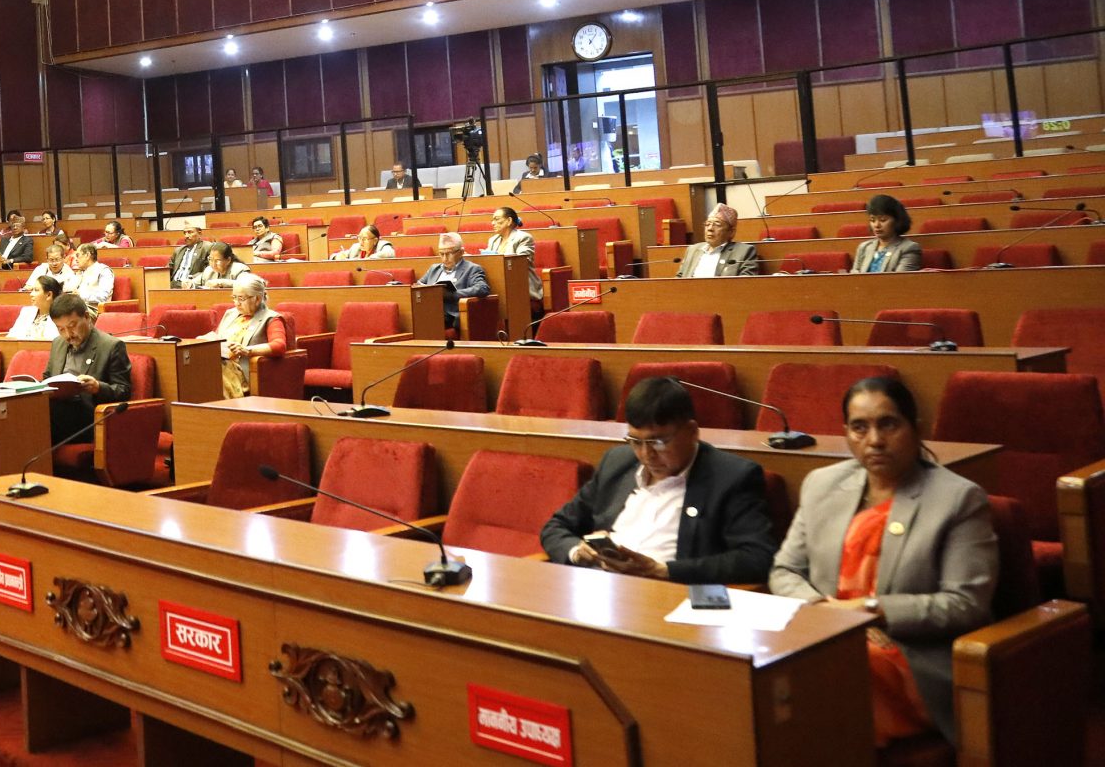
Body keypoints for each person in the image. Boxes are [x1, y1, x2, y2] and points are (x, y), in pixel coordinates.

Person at [769, 377, 995, 746]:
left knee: (828, 672)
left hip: (911, 655)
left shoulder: (958, 499)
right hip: (826, 634)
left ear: (915, 428)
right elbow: (785, 570)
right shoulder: (822, 485)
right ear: (846, 432)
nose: (874, 440)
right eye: (859, 427)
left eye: (888, 424)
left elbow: (965, 604)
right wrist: (823, 610)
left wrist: (870, 609)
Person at [540, 377, 777, 585]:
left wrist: (663, 570)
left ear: (692, 432)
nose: (646, 455)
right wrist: (576, 552)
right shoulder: (616, 463)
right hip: (601, 588)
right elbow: (556, 526)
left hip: (667, 594)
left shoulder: (732, 477)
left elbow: (757, 557)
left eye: (659, 442)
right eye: (635, 441)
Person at [44, 293, 133, 455]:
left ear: (86, 317)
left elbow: (124, 391)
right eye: (61, 329)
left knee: (35, 421)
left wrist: (98, 387)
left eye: (72, 326)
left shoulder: (111, 346)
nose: (68, 335)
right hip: (57, 411)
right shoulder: (58, 343)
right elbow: (47, 378)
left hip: (88, 418)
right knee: (25, 411)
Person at [202, 275, 290, 399]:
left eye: (241, 299)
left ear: (257, 299)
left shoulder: (271, 318)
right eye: (234, 297)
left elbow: (279, 346)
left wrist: (247, 350)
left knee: (210, 371)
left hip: (242, 371)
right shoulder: (230, 314)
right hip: (220, 361)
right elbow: (218, 337)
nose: (236, 303)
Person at [417, 232, 491, 331]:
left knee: (423, 321)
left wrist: (452, 294)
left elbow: (482, 288)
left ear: (461, 252)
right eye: (441, 254)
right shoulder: (434, 269)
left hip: (451, 315)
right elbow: (419, 285)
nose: (444, 258)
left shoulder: (472, 269)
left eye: (449, 254)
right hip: (430, 310)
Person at [679, 204, 762, 277]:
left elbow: (746, 283)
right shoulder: (692, 250)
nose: (710, 228)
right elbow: (679, 278)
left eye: (717, 225)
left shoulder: (744, 251)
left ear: (731, 232)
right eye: (707, 224)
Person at [483, 206, 543, 305]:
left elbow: (521, 261)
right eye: (492, 220)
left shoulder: (523, 237)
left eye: (496, 219)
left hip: (521, 285)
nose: (493, 223)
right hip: (499, 284)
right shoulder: (493, 240)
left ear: (509, 221)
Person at [854, 194, 924, 273]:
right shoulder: (864, 247)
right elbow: (854, 276)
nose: (876, 225)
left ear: (897, 221)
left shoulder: (909, 248)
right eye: (872, 220)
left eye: (883, 220)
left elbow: (899, 279)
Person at [7, 276, 62, 340]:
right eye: (32, 290)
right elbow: (12, 335)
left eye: (36, 290)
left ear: (49, 295)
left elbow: (54, 341)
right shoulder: (26, 312)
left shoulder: (60, 316)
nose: (31, 294)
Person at [168, 225, 208, 289]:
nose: (186, 236)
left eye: (190, 232)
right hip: (173, 284)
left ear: (199, 233)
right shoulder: (178, 250)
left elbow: (210, 271)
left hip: (191, 285)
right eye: (185, 233)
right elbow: (167, 269)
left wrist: (191, 280)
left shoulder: (207, 248)